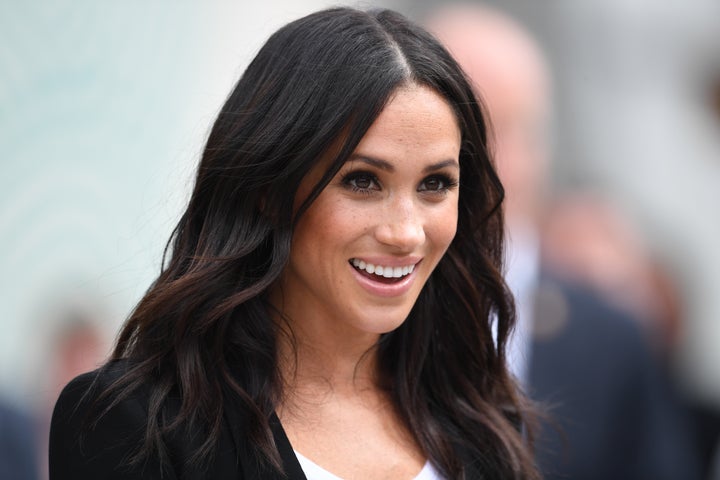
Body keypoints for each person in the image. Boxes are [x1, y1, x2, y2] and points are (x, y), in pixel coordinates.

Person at [49, 7, 539, 480]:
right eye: (363, 181)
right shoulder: (136, 426)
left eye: (435, 185)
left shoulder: (482, 422)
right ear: (269, 189)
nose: (406, 232)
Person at [427, 4, 702, 480]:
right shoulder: (364, 313)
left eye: (505, 128)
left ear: (542, 146)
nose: (480, 159)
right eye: (458, 129)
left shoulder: (613, 340)